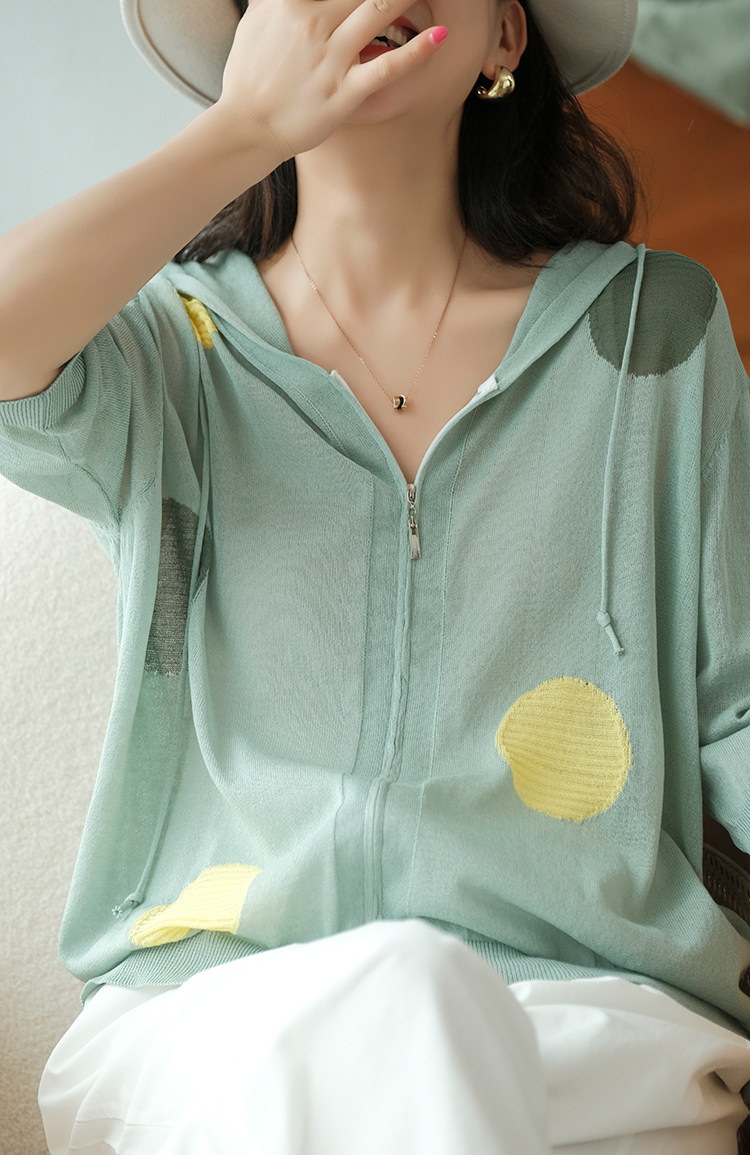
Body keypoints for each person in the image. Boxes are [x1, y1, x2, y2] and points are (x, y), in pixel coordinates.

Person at [1, 0, 750, 1151]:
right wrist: (244, 128)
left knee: (424, 1006)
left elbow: (738, 703)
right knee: (404, 993)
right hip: (214, 1025)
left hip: (590, 1022)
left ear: (506, 39)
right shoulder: (169, 353)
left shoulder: (656, 334)